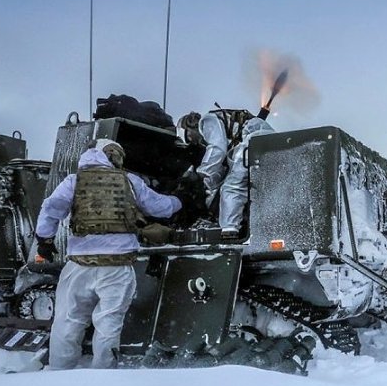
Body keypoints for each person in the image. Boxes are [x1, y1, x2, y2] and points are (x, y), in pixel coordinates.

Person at [34, 138, 181, 370]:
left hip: (79, 267)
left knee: (67, 323)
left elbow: (51, 208)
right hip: (117, 267)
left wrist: (45, 239)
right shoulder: (130, 181)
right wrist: (178, 200)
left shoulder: (74, 181)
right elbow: (159, 207)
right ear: (113, 156)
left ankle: (59, 374)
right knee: (109, 325)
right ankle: (103, 376)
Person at [178, 108, 273, 236]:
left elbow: (218, 149)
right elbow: (219, 170)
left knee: (232, 186)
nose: (192, 141)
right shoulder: (221, 126)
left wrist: (201, 173)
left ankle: (229, 230)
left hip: (254, 139)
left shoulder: (207, 121)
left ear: (189, 125)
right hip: (263, 141)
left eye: (188, 136)